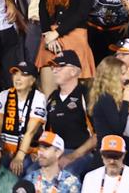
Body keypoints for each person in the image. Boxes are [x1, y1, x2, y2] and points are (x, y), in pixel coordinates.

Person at [44, 51, 96, 179]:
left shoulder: (87, 94)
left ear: (74, 71)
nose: (54, 70)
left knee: (66, 174)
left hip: (83, 153)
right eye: (53, 67)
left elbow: (98, 134)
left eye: (60, 66)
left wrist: (73, 156)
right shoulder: (52, 98)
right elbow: (48, 133)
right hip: (56, 153)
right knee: (31, 172)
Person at [0, 62, 46, 176]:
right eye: (15, 74)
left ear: (32, 80)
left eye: (24, 74)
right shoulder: (4, 95)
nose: (18, 78)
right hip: (5, 150)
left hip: (28, 152)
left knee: (18, 169)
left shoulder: (38, 97)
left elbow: (30, 132)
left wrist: (19, 156)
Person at [88, 56, 129, 152]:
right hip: (107, 153)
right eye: (123, 74)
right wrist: (126, 101)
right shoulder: (105, 97)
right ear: (112, 77)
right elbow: (118, 128)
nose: (127, 77)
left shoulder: (109, 97)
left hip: (115, 149)